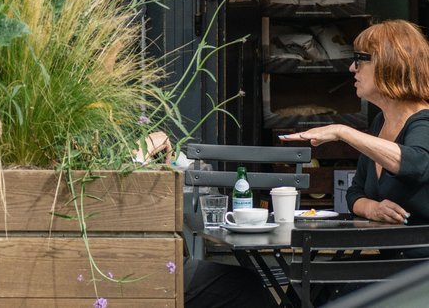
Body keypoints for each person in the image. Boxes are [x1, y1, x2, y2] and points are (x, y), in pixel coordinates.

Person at [281, 19, 429, 224]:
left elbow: (416, 164)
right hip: (390, 252)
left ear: (389, 64)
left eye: (359, 60)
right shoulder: (381, 122)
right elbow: (355, 193)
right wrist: (372, 208)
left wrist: (343, 132)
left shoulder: (424, 121)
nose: (352, 68)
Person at [134, 131, 274, 308]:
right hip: (149, 271)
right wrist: (141, 155)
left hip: (149, 266)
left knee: (248, 282)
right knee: (247, 284)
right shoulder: (119, 177)